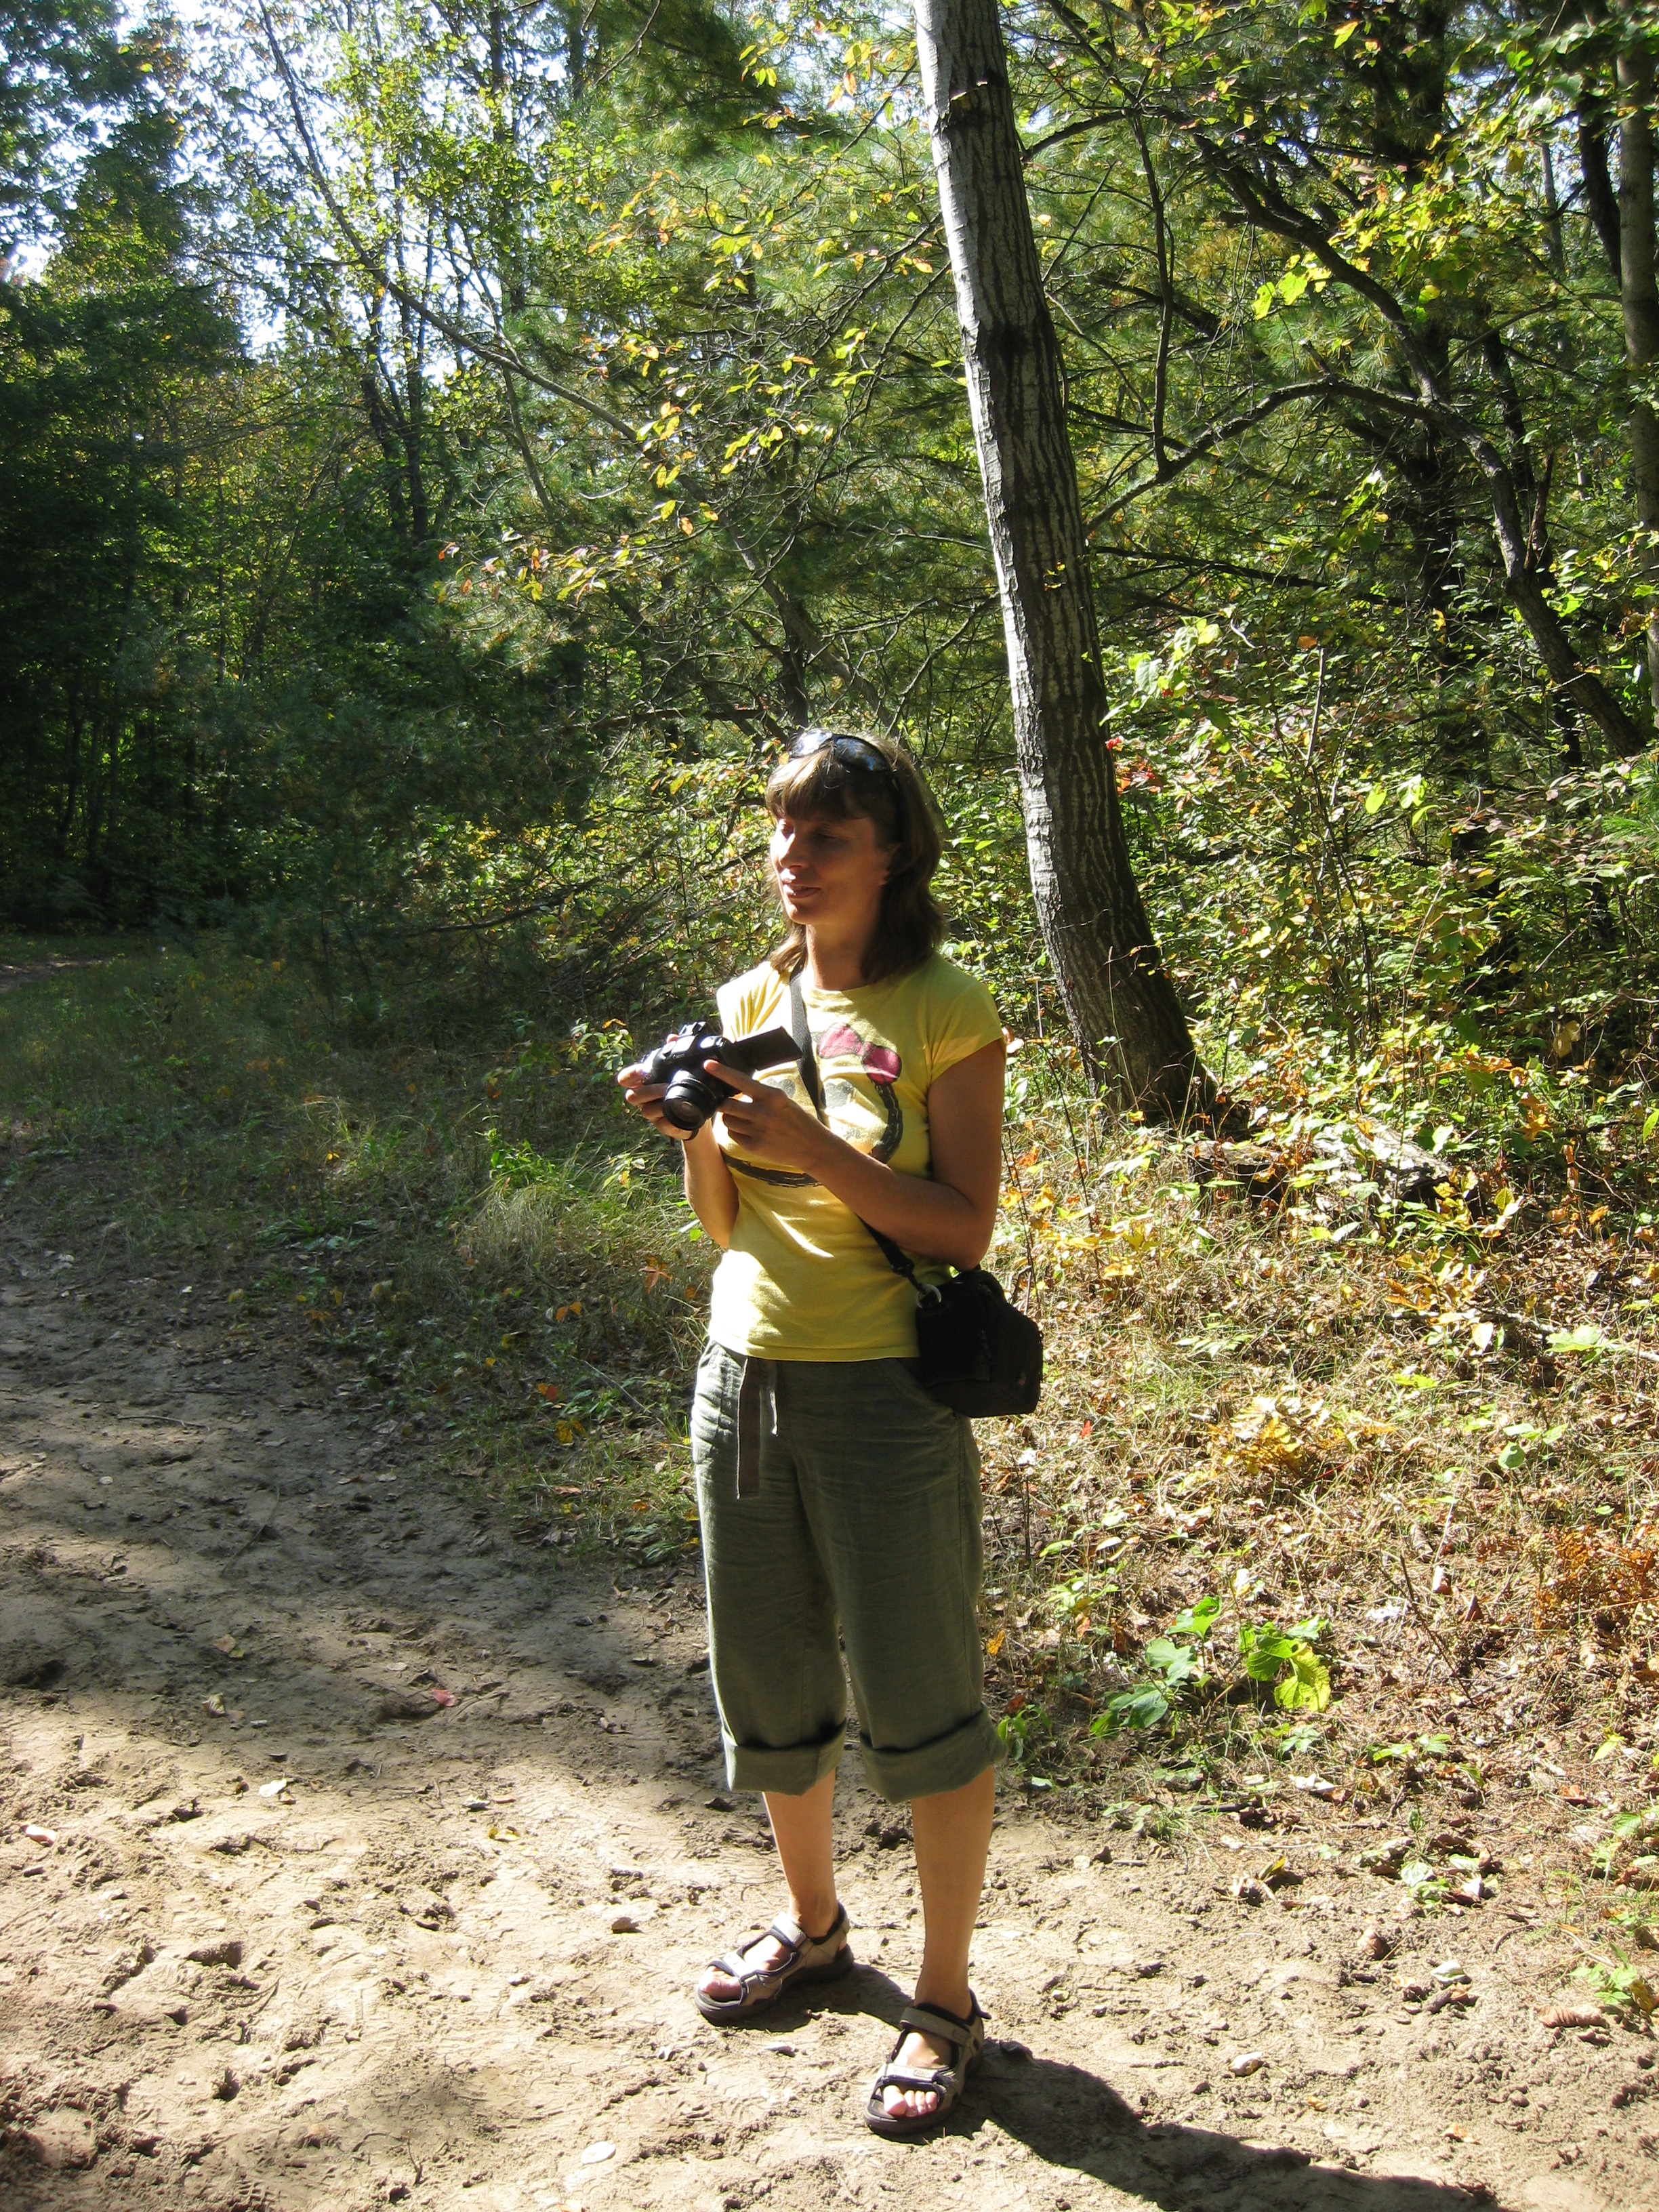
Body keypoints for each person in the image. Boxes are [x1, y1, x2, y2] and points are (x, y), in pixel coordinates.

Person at [619, 726, 1007, 2139]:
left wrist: (817, 1147)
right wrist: (691, 1133)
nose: (795, 858)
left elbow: (964, 1228)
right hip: (742, 1379)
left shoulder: (945, 1007)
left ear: (891, 852)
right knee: (770, 1684)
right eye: (784, 831)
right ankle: (816, 1928)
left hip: (884, 1394)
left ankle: (946, 2002)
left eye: (828, 834)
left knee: (921, 1699)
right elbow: (726, 1225)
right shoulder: (750, 994)